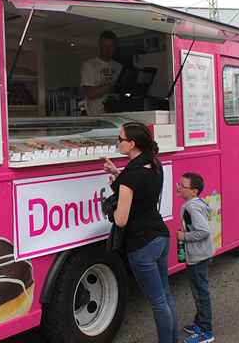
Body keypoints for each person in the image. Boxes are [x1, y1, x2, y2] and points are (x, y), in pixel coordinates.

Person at [103, 122, 176, 343]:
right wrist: (118, 175)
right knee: (165, 295)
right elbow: (139, 191)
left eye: (120, 139)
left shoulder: (130, 177)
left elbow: (121, 220)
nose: (118, 143)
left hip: (141, 245)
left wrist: (111, 208)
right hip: (160, 236)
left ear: (132, 144)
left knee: (157, 301)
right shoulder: (154, 164)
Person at [176, 172, 215, 343]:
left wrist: (184, 237)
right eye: (179, 184)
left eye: (183, 186)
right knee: (198, 291)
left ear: (194, 191)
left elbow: (203, 231)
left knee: (200, 293)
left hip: (198, 256)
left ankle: (206, 332)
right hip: (200, 254)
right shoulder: (196, 203)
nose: (179, 188)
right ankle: (200, 323)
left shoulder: (192, 207)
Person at [81, 30, 122, 116]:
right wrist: (110, 86)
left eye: (111, 46)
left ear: (115, 47)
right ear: (99, 46)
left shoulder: (119, 66)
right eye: (105, 46)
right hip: (96, 115)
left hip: (115, 114)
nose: (108, 49)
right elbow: (90, 93)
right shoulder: (89, 65)